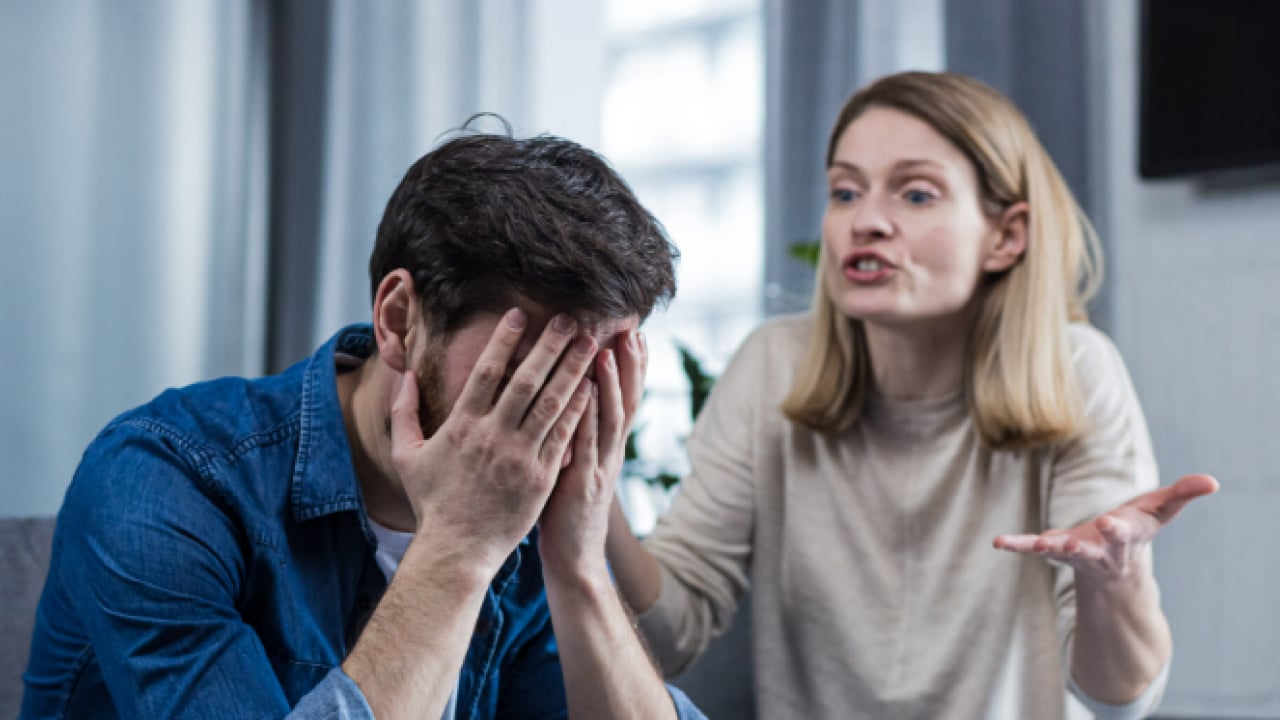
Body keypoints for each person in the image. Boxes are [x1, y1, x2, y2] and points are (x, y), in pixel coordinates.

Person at [22, 127, 706, 720]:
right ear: (399, 320)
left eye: (598, 370)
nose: (560, 410)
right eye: (529, 371)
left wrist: (580, 566)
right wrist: (460, 547)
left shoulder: (533, 523)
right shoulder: (162, 480)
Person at [604, 71, 1218, 720]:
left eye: (916, 195)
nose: (865, 222)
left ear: (1007, 236)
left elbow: (1118, 701)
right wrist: (598, 493)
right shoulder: (773, 365)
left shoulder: (1077, 370)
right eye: (845, 192)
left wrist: (1114, 579)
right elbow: (663, 640)